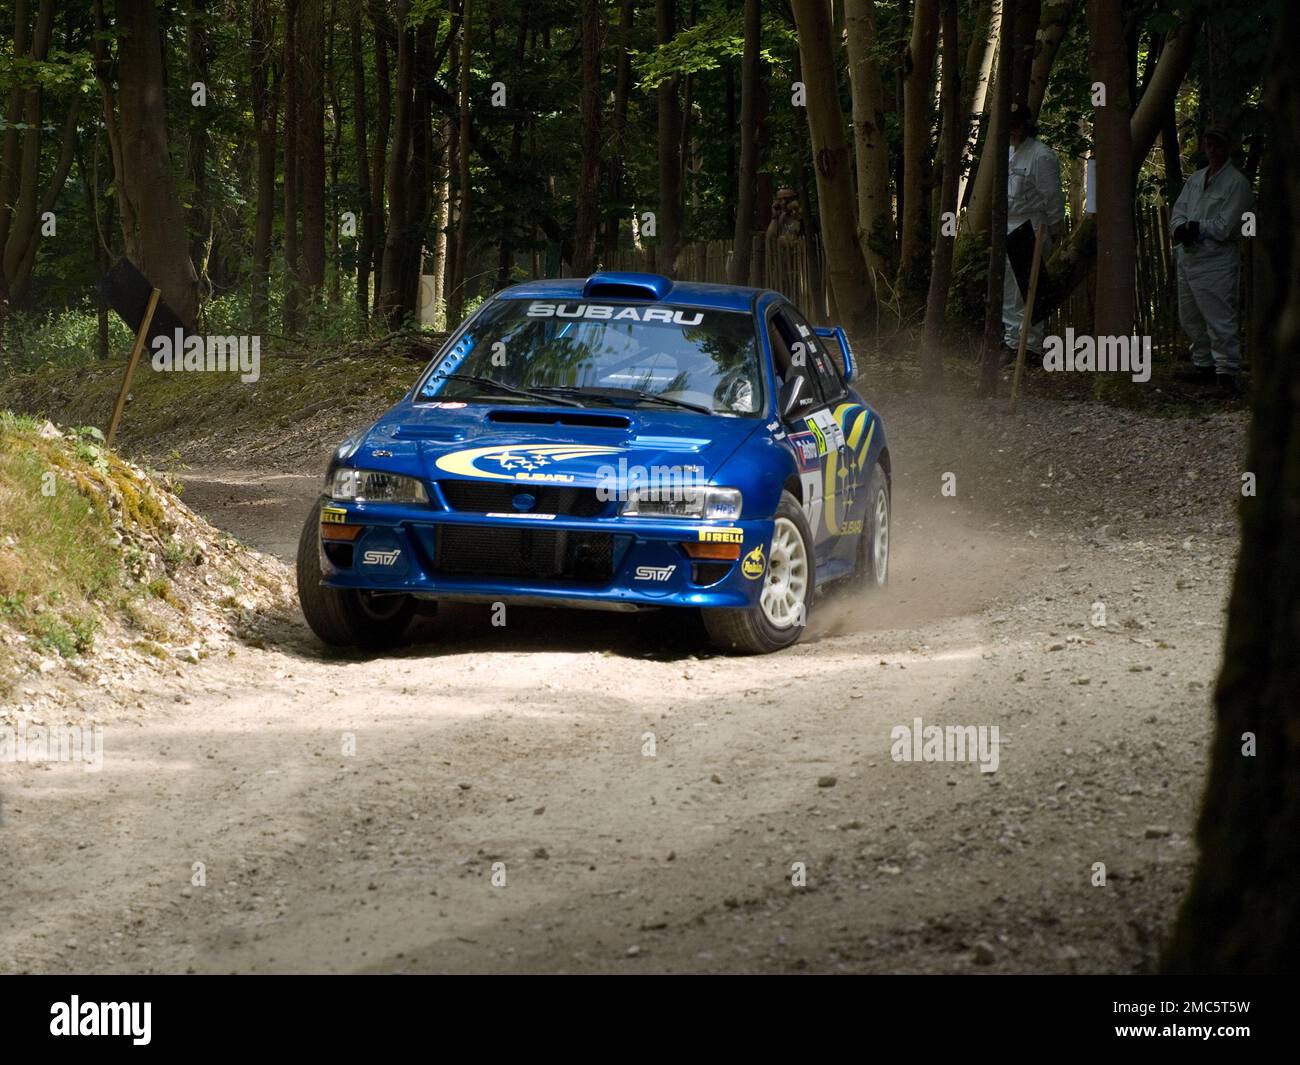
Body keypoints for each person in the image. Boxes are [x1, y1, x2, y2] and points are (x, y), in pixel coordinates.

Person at [1170, 124, 1254, 395]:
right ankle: (1203, 365)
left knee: (1219, 318)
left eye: (1218, 145)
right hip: (1189, 256)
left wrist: (1196, 227)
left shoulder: (1237, 184)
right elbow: (1179, 210)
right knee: (1191, 316)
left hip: (1216, 261)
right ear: (1204, 146)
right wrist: (1181, 227)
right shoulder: (1195, 179)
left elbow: (1225, 226)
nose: (1213, 150)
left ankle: (1227, 374)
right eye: (1209, 144)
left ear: (1228, 147)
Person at [1002, 100, 1065, 361]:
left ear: (1027, 126)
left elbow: (1052, 197)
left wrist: (1055, 228)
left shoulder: (1041, 156)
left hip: (1031, 225)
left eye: (1017, 125)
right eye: (1010, 125)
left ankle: (1030, 346)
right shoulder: (1007, 153)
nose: (1014, 130)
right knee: (1009, 289)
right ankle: (1011, 341)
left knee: (1028, 289)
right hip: (1008, 223)